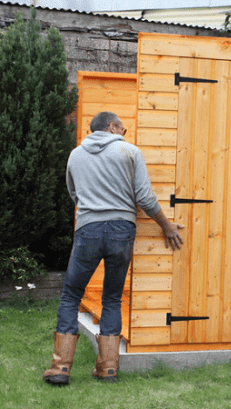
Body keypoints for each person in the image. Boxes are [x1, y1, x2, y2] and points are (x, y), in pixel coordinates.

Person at [43, 111, 184, 385]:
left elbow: (75, 194)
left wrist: (90, 210)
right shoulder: (130, 151)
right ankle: (107, 369)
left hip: (88, 230)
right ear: (111, 126)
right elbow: (143, 196)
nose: (124, 133)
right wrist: (166, 226)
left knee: (71, 295)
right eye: (123, 129)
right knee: (112, 297)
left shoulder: (75, 155)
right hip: (122, 231)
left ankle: (60, 368)